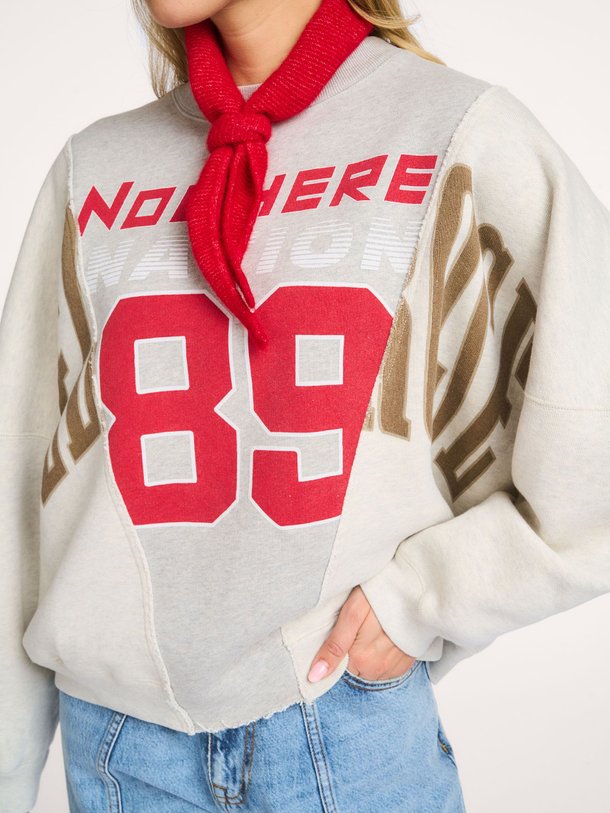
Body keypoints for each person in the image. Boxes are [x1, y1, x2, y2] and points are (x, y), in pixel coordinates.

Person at [1, 0, 609, 810]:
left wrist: (424, 596)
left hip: (340, 736)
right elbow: (18, 489)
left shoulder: (459, 134)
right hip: (118, 754)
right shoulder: (94, 167)